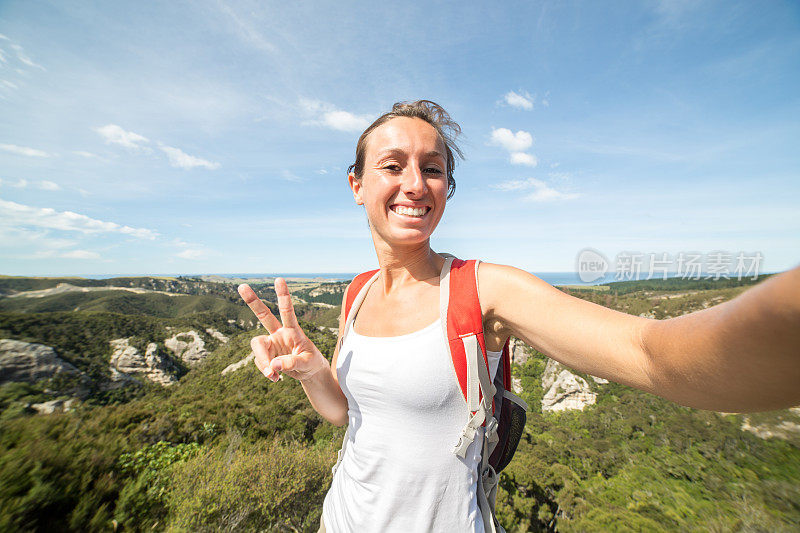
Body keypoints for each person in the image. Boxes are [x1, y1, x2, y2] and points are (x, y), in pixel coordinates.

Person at [237, 100, 800, 532]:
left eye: (432, 169)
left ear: (447, 190)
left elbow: (647, 353)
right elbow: (347, 416)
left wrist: (784, 313)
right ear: (357, 185)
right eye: (392, 166)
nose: (415, 183)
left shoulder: (484, 290)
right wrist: (313, 371)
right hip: (342, 519)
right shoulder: (356, 294)